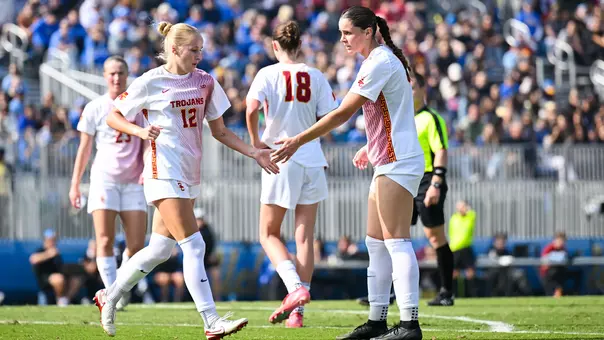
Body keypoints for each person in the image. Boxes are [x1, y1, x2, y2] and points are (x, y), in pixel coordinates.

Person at [96, 21, 278, 338]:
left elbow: (219, 131)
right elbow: (114, 115)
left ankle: (109, 296)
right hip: (162, 172)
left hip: (190, 173)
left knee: (159, 249)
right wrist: (140, 130)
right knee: (194, 245)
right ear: (175, 48)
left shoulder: (205, 81)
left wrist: (253, 152)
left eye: (201, 50)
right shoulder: (151, 81)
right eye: (193, 50)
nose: (199, 55)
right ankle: (211, 321)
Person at [272, 6, 424, 340]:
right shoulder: (375, 61)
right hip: (387, 160)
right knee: (375, 243)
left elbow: (343, 112)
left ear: (368, 32)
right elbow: (391, 112)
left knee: (397, 242)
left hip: (398, 162)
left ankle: (410, 324)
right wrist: (370, 146)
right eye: (341, 32)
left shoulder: (380, 61)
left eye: (348, 32)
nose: (342, 38)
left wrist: (298, 139)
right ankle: (377, 321)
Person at [245, 20, 338, 328]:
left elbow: (250, 109)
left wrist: (257, 143)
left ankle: (294, 288)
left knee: (268, 233)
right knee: (305, 237)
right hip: (311, 158)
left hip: (279, 158)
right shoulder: (316, 75)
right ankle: (298, 312)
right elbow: (329, 118)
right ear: (300, 47)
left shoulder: (266, 74)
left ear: (275, 46)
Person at [69, 55, 148, 311]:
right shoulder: (95, 107)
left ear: (127, 76)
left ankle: (117, 288)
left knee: (136, 246)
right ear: (105, 76)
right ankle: (112, 296)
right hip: (104, 180)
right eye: (112, 73)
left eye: (121, 73)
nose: (116, 78)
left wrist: (147, 169)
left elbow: (148, 141)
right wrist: (75, 184)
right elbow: (84, 149)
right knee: (104, 240)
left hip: (134, 180)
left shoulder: (139, 106)